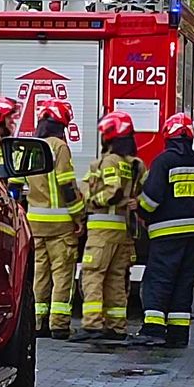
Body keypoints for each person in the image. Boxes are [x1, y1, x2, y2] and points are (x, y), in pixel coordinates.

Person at [125, 112, 194, 349]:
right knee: (183, 283)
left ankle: (153, 331)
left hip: (166, 235)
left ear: (168, 135)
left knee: (158, 281)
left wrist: (141, 208)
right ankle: (178, 335)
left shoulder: (163, 161)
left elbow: (152, 198)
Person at [70, 111, 144, 343]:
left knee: (92, 274)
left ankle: (92, 324)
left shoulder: (110, 161)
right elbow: (138, 191)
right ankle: (116, 326)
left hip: (102, 228)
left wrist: (91, 201)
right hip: (122, 230)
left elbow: (112, 191)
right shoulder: (134, 164)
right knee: (115, 277)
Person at [26, 99, 84, 340]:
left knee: (40, 273)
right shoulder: (59, 147)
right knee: (62, 274)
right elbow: (67, 185)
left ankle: (38, 322)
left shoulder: (31, 146)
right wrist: (79, 214)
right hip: (60, 224)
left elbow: (18, 185)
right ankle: (59, 325)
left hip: (35, 222)